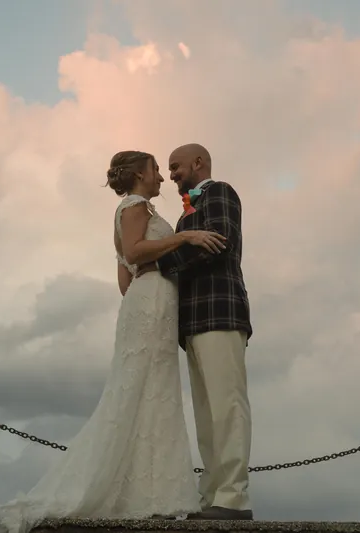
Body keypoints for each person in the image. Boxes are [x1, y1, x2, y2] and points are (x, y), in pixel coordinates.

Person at [0, 150, 227, 532]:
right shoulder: (135, 206)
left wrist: (155, 275)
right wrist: (184, 237)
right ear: (140, 174)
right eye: (156, 170)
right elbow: (135, 252)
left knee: (150, 391)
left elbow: (126, 281)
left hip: (147, 300)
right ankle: (148, 493)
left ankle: (150, 493)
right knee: (143, 390)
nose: (160, 178)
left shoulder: (133, 211)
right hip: (152, 304)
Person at [141, 143, 254, 521]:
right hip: (193, 322)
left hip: (220, 313)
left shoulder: (220, 191)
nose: (171, 174)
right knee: (206, 415)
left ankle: (234, 499)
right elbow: (194, 248)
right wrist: (182, 244)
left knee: (228, 406)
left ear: (198, 162)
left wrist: (161, 262)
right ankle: (212, 498)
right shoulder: (186, 214)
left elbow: (219, 243)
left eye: (175, 166)